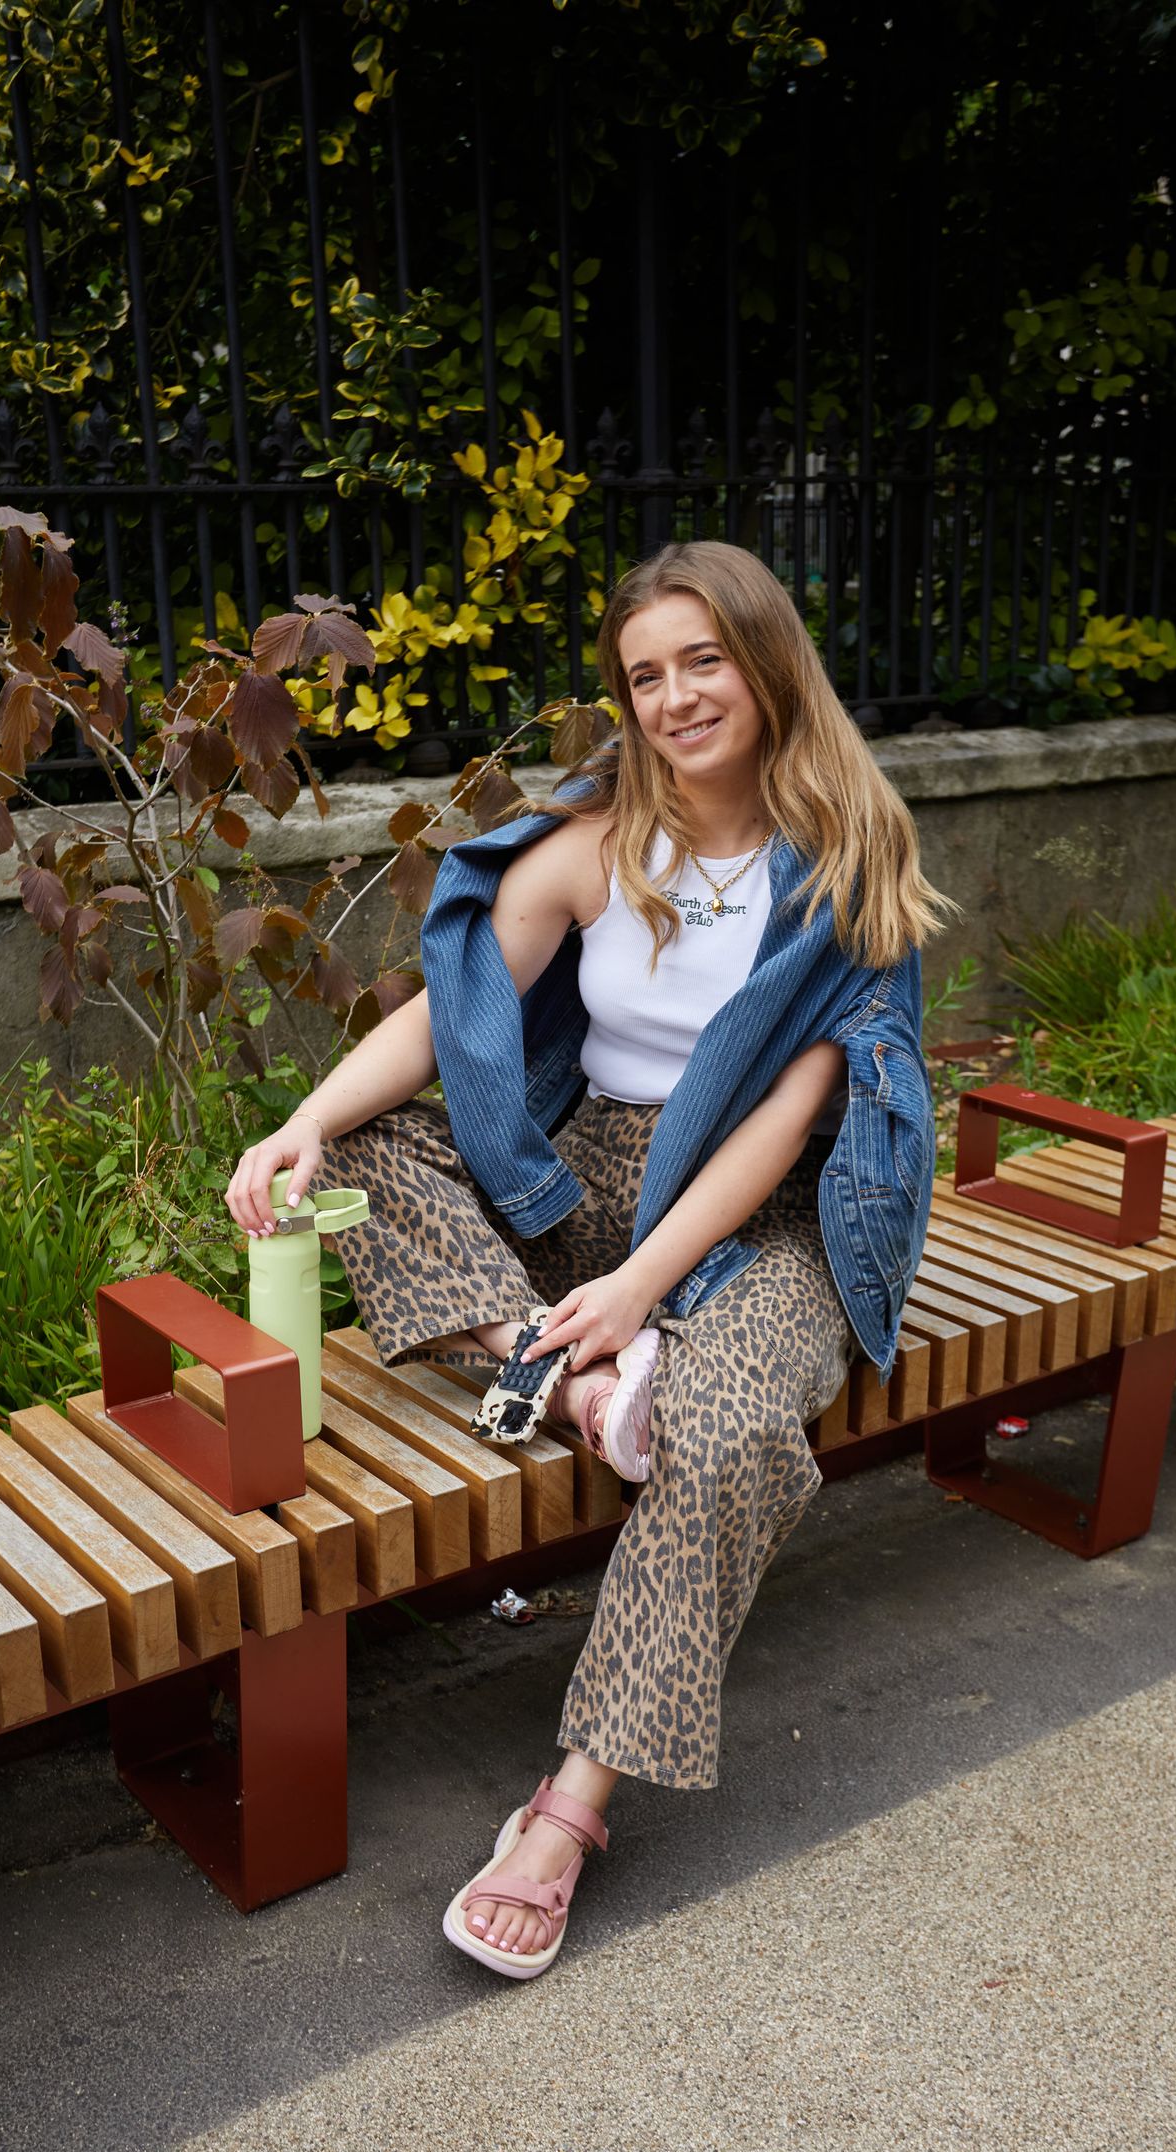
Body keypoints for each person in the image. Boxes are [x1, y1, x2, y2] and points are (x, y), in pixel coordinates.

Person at [224, 539, 952, 1980]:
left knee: (729, 1426)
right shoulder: (601, 839)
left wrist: (636, 1290)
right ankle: (563, 1385)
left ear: (765, 658)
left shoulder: (847, 860)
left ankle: (570, 1806)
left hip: (765, 1222)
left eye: (703, 659)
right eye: (645, 673)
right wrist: (302, 1121)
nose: (677, 696)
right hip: (592, 1178)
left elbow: (783, 1122)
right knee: (377, 1155)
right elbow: (456, 1012)